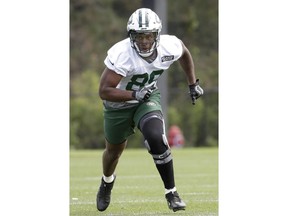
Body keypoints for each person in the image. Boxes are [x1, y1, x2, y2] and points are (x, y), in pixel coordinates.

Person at [96, 8, 204, 212]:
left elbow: (184, 52)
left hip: (146, 98)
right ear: (131, 37)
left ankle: (171, 192)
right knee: (113, 152)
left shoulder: (168, 45)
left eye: (149, 36)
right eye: (139, 36)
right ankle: (107, 182)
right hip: (117, 105)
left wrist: (192, 84)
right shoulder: (121, 54)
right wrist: (133, 94)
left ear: (157, 35)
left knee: (156, 137)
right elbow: (104, 90)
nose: (144, 41)